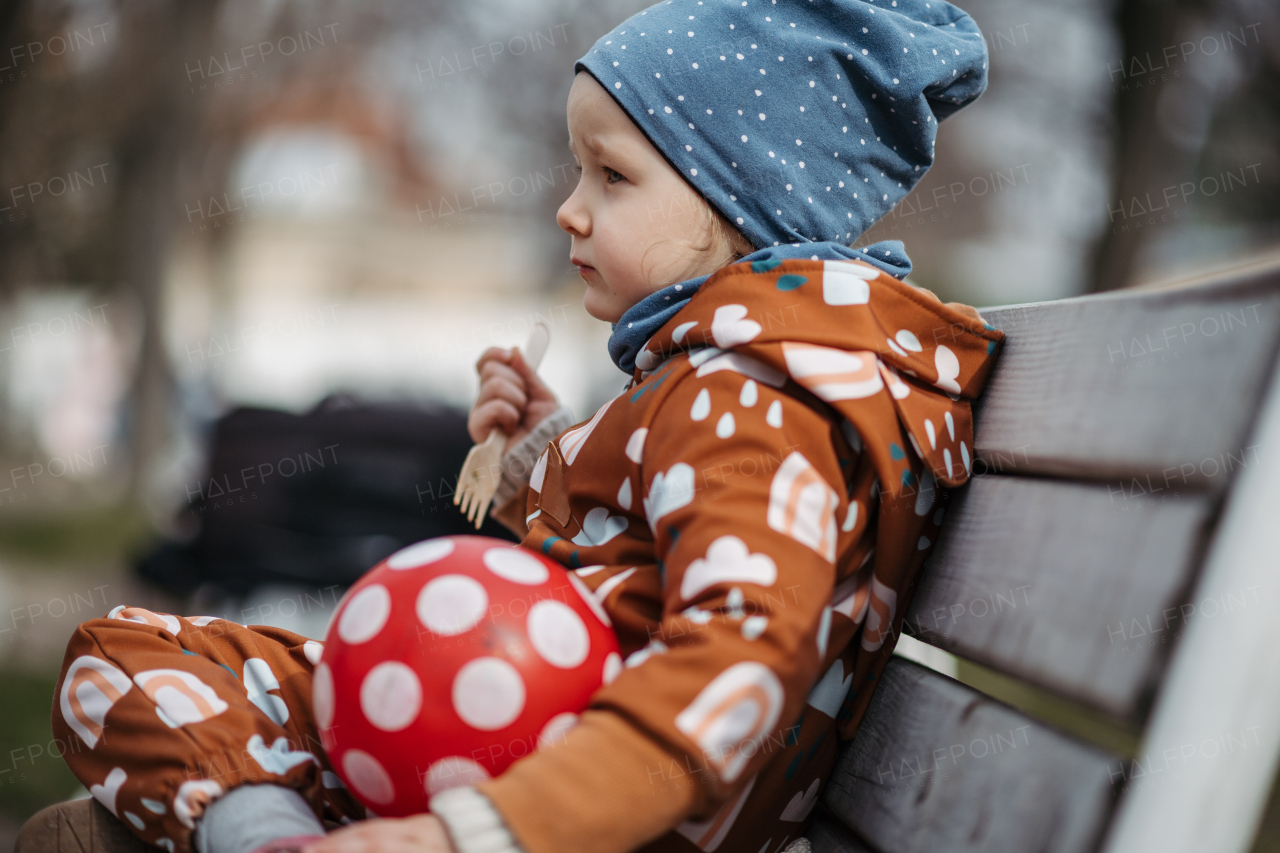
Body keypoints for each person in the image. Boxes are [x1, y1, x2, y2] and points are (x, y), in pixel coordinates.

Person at [34, 2, 1003, 853]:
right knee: (125, 655)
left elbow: (736, 662)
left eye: (611, 178)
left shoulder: (754, 397)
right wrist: (539, 456)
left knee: (126, 683)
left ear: (741, 206)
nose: (567, 209)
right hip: (489, 743)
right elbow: (632, 568)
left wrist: (473, 831)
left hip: (543, 797)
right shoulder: (721, 378)